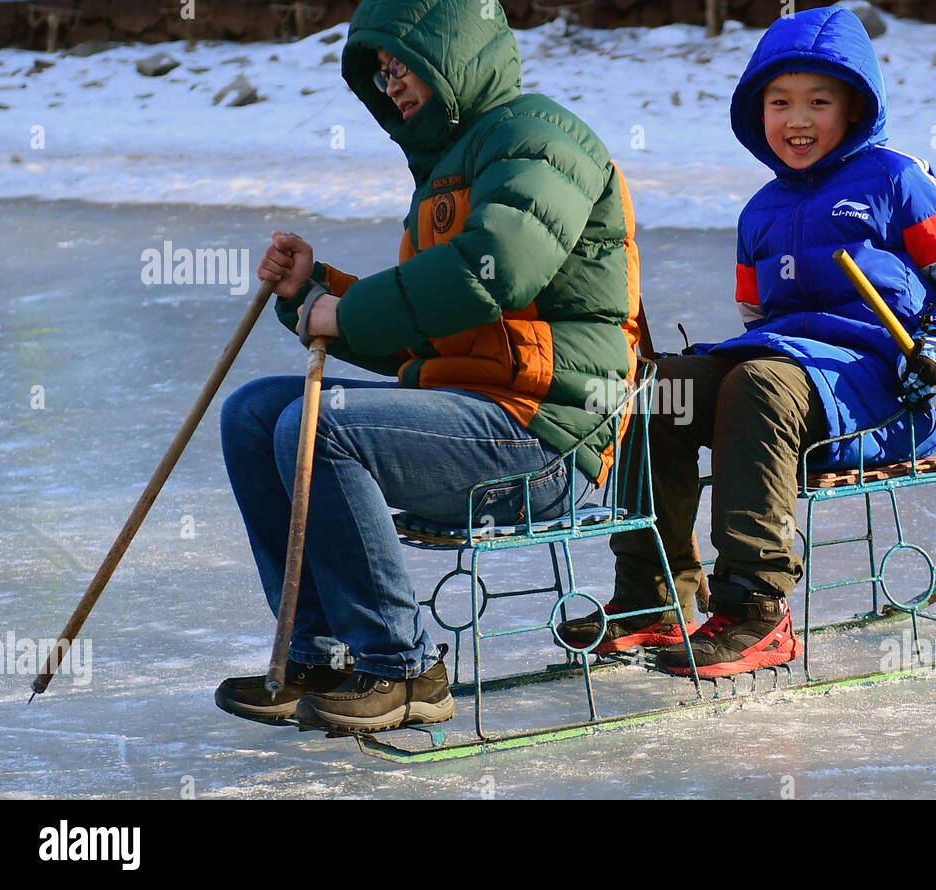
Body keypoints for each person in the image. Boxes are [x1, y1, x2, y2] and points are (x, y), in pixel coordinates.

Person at [214, 0, 641, 732]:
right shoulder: (450, 169)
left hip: (547, 436)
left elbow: (494, 268)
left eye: (401, 64)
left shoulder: (541, 138)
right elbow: (429, 332)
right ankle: (323, 655)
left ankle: (402, 668)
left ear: (454, 48)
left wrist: (343, 314)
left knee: (322, 429)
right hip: (474, 416)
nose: (391, 86)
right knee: (254, 414)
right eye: (379, 74)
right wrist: (316, 296)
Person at [558, 5, 936, 678]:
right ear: (758, 111)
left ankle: (754, 611)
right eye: (780, 102)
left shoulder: (896, 180)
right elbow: (755, 319)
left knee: (761, 381)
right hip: (795, 384)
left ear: (855, 108)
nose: (796, 120)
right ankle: (655, 597)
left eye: (818, 101)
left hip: (890, 390)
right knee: (662, 391)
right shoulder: (760, 211)